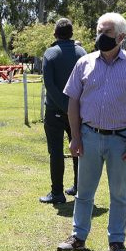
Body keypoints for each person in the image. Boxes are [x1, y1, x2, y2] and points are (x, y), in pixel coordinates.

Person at [57, 12, 126, 251]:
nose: (101, 37)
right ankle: (78, 237)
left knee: (119, 194)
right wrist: (76, 136)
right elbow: (73, 102)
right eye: (99, 31)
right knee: (84, 192)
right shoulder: (84, 63)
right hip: (89, 136)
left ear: (121, 37)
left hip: (121, 140)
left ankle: (117, 241)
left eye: (107, 33)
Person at [39, 18, 87, 204]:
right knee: (78, 148)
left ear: (55, 33)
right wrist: (74, 108)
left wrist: (64, 107)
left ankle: (57, 193)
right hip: (79, 110)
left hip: (54, 111)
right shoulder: (82, 52)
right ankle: (78, 187)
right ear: (72, 33)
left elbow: (49, 85)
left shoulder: (50, 53)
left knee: (56, 151)